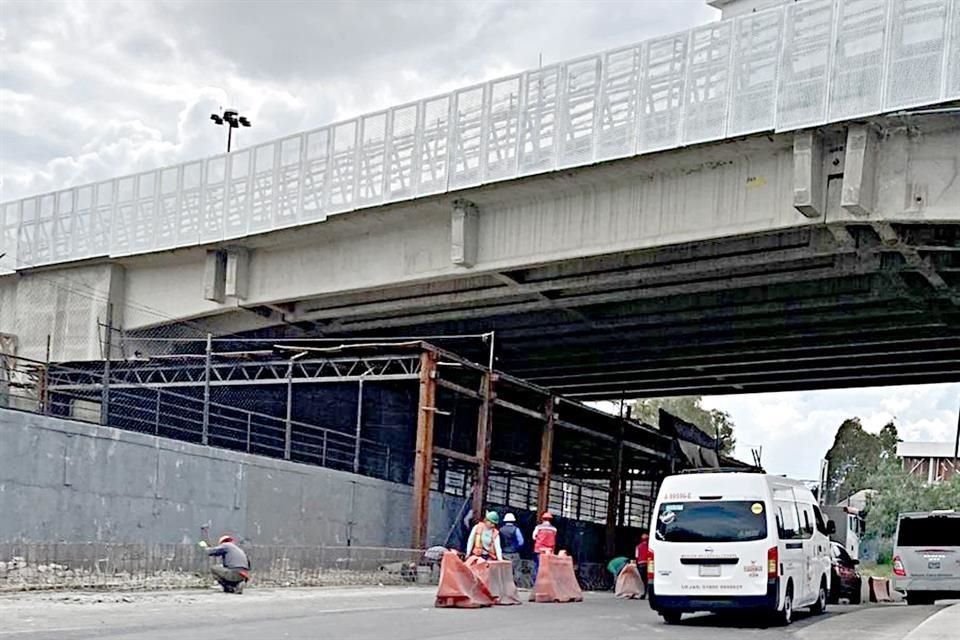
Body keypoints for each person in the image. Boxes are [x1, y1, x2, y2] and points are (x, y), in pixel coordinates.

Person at [531, 511, 557, 583]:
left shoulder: (538, 527)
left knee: (538, 566)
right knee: (547, 568)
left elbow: (534, 537)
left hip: (539, 549)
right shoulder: (554, 529)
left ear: (542, 519)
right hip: (549, 550)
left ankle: (536, 582)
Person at [499, 513, 525, 583]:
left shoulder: (500, 530)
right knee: (517, 570)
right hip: (514, 553)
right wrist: (516, 547)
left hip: (504, 553)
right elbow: (521, 542)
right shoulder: (516, 529)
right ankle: (516, 584)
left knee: (504, 570)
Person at [635, 532, 651, 599]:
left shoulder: (638, 546)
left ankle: (643, 593)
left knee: (642, 580)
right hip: (649, 564)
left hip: (641, 564)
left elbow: (636, 556)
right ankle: (649, 593)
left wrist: (637, 565)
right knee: (649, 579)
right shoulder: (650, 547)